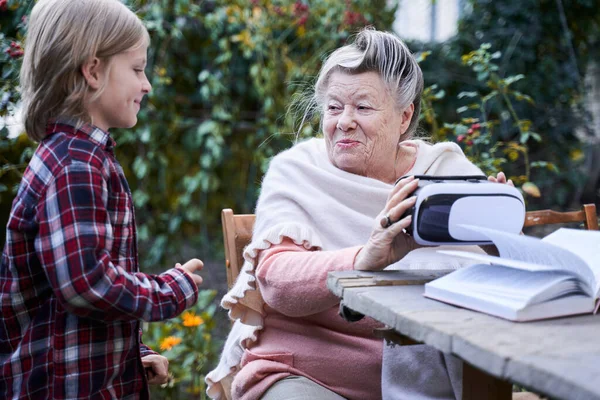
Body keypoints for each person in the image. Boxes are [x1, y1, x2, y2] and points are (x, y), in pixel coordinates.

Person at [206, 28, 511, 400]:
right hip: (304, 371)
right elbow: (277, 282)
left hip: (429, 382)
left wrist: (501, 238)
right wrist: (363, 259)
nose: (344, 121)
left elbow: (494, 274)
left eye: (363, 108)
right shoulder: (298, 170)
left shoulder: (443, 169)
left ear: (404, 116)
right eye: (334, 107)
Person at [0, 0, 204, 398]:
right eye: (137, 68)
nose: (147, 84)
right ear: (93, 71)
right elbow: (86, 283)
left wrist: (132, 354)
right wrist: (170, 291)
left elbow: (71, 304)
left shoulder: (79, 156)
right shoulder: (74, 165)